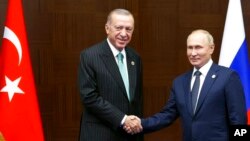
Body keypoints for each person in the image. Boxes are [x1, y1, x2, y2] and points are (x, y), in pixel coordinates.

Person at [124, 29, 247, 141]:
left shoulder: (228, 77)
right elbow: (167, 115)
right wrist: (141, 123)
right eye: (190, 48)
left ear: (211, 48)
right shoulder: (180, 82)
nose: (193, 53)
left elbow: (238, 120)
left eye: (198, 47)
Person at [77, 8, 143, 141]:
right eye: (119, 28)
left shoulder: (135, 58)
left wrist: (136, 126)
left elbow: (137, 100)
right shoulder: (89, 56)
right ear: (107, 28)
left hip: (129, 135)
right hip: (100, 134)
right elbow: (89, 97)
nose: (124, 33)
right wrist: (123, 119)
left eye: (128, 29)